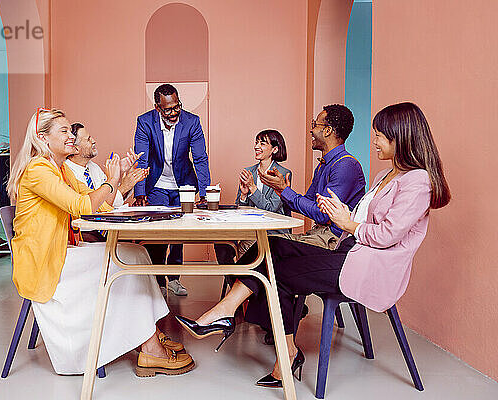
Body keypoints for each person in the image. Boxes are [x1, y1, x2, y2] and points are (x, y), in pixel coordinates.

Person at [176, 102, 450, 388]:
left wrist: (347, 223)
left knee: (275, 270)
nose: (374, 140)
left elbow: (387, 235)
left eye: (380, 135)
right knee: (271, 251)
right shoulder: (385, 176)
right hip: (350, 251)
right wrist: (336, 216)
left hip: (368, 266)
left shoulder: (418, 181)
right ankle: (255, 332)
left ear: (401, 138)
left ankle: (237, 322)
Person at [6, 108, 194, 376]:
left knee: (136, 253)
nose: (72, 136)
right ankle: (149, 347)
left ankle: (149, 333)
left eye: (71, 131)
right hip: (44, 261)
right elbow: (81, 206)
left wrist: (119, 180)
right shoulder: (38, 169)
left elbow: (100, 204)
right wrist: (112, 180)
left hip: (62, 250)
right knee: (125, 260)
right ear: (43, 138)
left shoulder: (60, 171)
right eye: (65, 131)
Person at [245, 105, 366, 342]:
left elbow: (324, 215)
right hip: (318, 234)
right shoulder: (324, 164)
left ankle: (261, 319)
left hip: (332, 241)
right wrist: (283, 191)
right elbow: (308, 203)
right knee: (262, 250)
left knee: (268, 250)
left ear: (329, 130)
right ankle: (268, 319)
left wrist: (284, 190)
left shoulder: (346, 165)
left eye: (316, 125)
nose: (311, 130)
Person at [133, 84, 211, 296]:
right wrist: (139, 192)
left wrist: (204, 192)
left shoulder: (191, 121)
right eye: (168, 109)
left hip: (182, 183)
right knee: (157, 233)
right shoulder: (145, 122)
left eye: (177, 106)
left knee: (178, 232)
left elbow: (200, 158)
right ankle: (157, 282)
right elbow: (142, 160)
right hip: (157, 183)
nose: (174, 112)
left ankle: (174, 278)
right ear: (157, 107)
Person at [214, 129, 292, 266]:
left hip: (271, 230)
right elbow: (240, 209)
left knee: (247, 246)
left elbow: (272, 209)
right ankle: (234, 278)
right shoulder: (249, 171)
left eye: (262, 143)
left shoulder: (283, 174)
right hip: (249, 227)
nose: (256, 146)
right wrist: (243, 196)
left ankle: (244, 278)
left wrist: (253, 188)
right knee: (221, 242)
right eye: (256, 143)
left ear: (274, 149)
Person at [64, 122, 137, 242]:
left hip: (103, 228)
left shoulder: (93, 168)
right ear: (75, 149)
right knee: (132, 248)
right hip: (86, 231)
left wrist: (119, 173)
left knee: (135, 242)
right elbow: (100, 206)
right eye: (88, 139)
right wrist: (122, 184)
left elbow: (110, 201)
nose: (93, 141)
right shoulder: (67, 173)